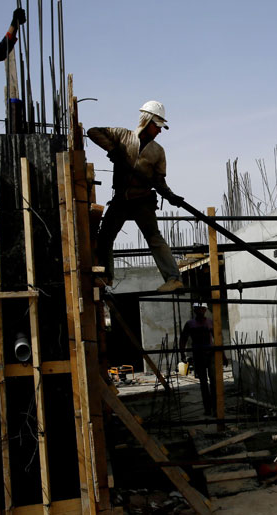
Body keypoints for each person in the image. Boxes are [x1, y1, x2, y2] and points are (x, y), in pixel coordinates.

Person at [88, 101, 184, 291]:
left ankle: (174, 278)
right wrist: (113, 149)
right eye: (157, 126)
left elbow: (159, 181)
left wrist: (171, 196)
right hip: (121, 199)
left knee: (154, 238)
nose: (159, 131)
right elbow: (93, 131)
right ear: (147, 121)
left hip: (143, 200)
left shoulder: (158, 152)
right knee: (105, 236)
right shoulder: (123, 136)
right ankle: (106, 276)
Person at [179, 302, 216, 415]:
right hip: (198, 355)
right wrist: (182, 354)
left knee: (214, 382)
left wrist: (222, 356)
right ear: (195, 310)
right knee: (203, 383)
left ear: (205, 310)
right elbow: (183, 339)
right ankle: (208, 409)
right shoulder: (190, 324)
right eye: (198, 309)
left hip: (210, 354)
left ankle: (215, 408)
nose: (200, 311)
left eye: (202, 309)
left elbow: (218, 338)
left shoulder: (210, 323)